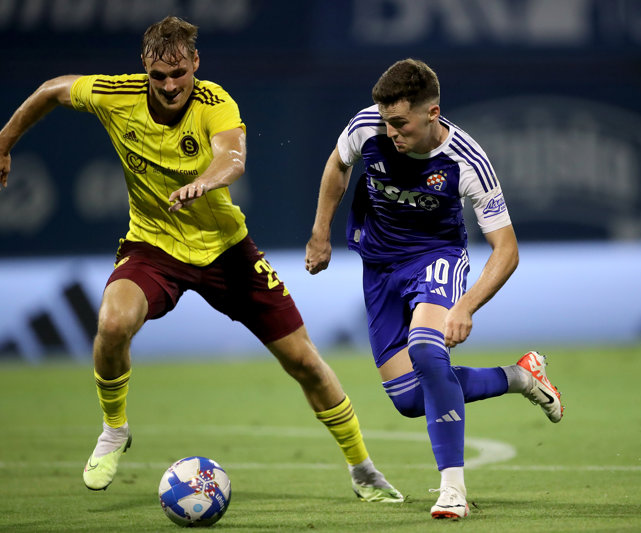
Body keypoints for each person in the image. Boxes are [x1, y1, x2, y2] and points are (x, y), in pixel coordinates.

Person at [0, 16, 403, 503]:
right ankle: (114, 429)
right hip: (152, 247)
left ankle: (363, 470)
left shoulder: (216, 102)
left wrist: (206, 181)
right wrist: (4, 141)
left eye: (179, 74)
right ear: (144, 67)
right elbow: (51, 90)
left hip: (226, 251)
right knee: (111, 323)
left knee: (305, 362)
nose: (170, 86)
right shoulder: (114, 95)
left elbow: (232, 157)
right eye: (159, 76)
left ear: (195, 62)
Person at [305, 58, 563, 519]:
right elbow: (337, 165)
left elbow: (506, 250)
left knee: (427, 350)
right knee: (408, 399)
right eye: (386, 121)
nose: (391, 132)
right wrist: (320, 232)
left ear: (432, 113)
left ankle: (453, 489)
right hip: (379, 267)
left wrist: (466, 306)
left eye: (400, 123)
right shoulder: (368, 126)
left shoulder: (467, 160)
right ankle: (521, 376)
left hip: (435, 257)